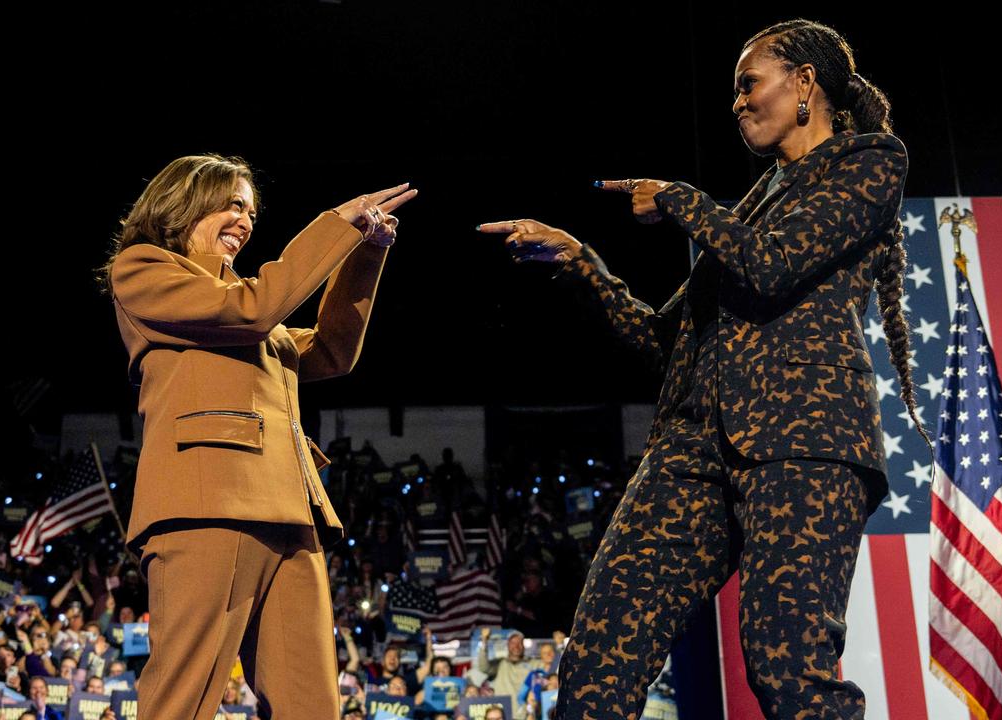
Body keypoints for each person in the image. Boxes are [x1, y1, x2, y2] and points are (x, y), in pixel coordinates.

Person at [479, 17, 925, 720]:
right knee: (599, 654)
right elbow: (663, 338)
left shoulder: (869, 162)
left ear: (805, 82)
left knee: (788, 672)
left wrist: (682, 198)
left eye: (749, 83)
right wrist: (582, 264)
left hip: (803, 448)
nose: (738, 102)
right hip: (690, 451)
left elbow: (776, 265)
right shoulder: (754, 203)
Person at [104, 153, 417, 720]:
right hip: (207, 509)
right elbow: (251, 311)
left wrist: (366, 253)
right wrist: (337, 225)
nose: (244, 219)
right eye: (230, 203)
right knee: (183, 702)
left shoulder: (253, 308)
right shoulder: (143, 269)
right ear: (182, 203)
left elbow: (331, 351)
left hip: (291, 517)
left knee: (312, 705)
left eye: (249, 210)